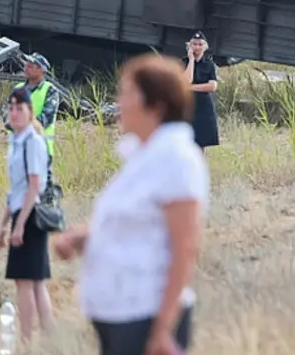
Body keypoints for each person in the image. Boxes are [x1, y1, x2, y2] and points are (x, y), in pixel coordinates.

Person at [54, 54, 209, 355]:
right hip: (119, 316)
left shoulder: (177, 159)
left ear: (157, 105)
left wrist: (163, 329)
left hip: (146, 317)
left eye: (126, 94)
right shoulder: (143, 156)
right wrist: (84, 237)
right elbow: (137, 224)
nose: (118, 103)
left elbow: (185, 247)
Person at [0, 87, 55, 343]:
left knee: (25, 283)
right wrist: (3, 224)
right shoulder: (17, 141)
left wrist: (19, 225)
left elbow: (33, 186)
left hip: (30, 215)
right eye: (11, 108)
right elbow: (16, 190)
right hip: (23, 212)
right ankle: (51, 341)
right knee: (36, 282)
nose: (14, 113)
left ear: (30, 112)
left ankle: (26, 340)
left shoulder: (32, 141)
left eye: (19, 109)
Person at [1, 53, 60, 177]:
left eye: (31, 66)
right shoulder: (17, 89)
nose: (26, 67)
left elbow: (46, 118)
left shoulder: (50, 90)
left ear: (41, 70)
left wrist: (20, 125)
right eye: (26, 64)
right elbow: (6, 111)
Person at [182, 32, 219, 151]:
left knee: (201, 141)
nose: (197, 47)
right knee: (185, 140)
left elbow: (212, 86)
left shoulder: (209, 64)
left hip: (203, 106)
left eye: (200, 44)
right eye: (194, 44)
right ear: (190, 46)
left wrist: (191, 88)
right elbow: (186, 81)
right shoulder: (183, 63)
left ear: (205, 47)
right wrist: (191, 60)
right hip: (187, 105)